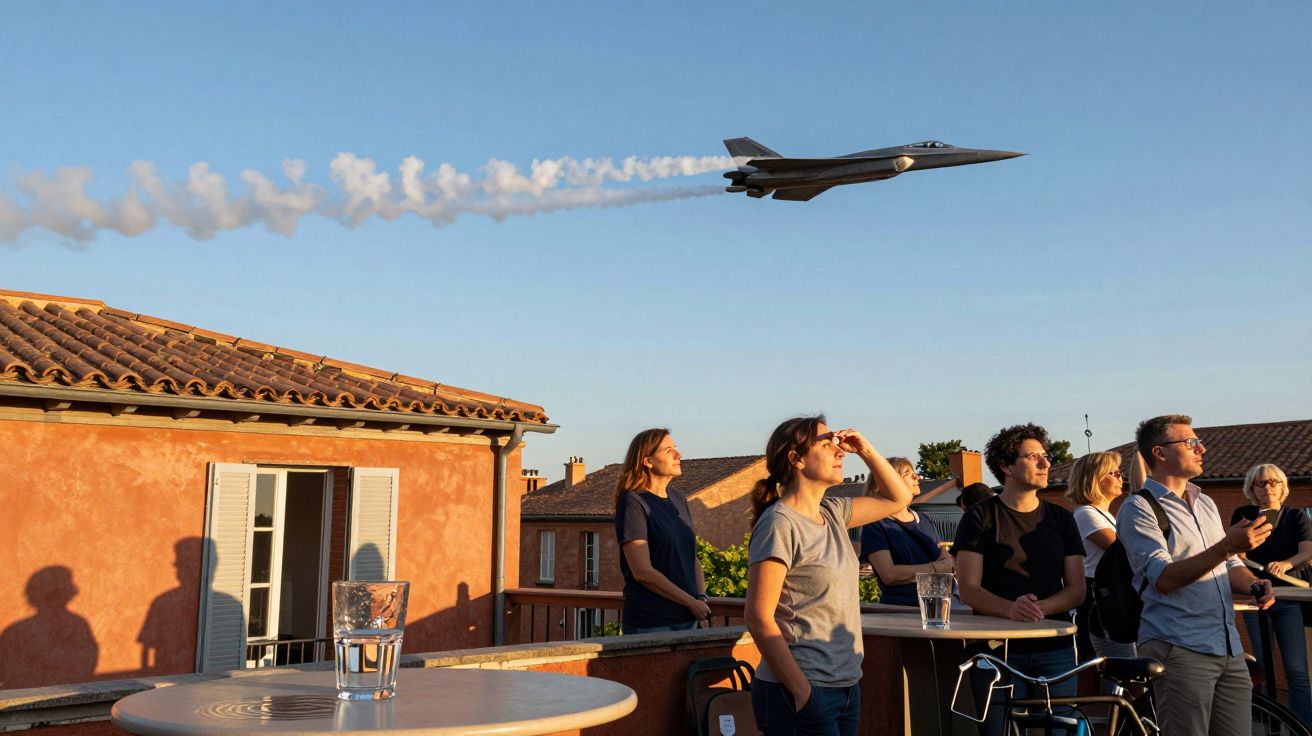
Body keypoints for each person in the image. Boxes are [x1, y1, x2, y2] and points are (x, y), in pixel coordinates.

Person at [745, 416, 913, 735]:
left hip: (845, 686)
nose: (839, 452)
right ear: (796, 459)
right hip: (801, 688)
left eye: (837, 445)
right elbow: (758, 617)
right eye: (826, 444)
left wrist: (865, 449)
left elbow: (898, 498)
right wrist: (802, 693)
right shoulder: (780, 523)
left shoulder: (833, 512)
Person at [1118, 414, 1274, 734]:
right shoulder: (1138, 508)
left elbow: (1228, 564)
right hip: (1179, 646)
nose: (1201, 449)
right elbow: (1163, 579)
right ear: (1160, 453)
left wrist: (1254, 583)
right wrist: (1227, 546)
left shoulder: (1205, 502)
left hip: (1227, 646)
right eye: (1190, 443)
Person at [953, 423, 1085, 736]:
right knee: (998, 731)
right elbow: (969, 588)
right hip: (996, 649)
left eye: (1045, 456)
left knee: (1062, 729)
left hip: (1056, 645)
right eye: (1033, 457)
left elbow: (1078, 589)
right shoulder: (980, 516)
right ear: (1006, 466)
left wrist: (1039, 608)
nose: (1045, 463)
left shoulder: (1061, 518)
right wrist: (1011, 609)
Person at [1231, 463, 1312, 723]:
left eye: (1273, 482)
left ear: (1282, 486)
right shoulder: (1243, 514)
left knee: (1296, 670)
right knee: (1264, 668)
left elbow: (1308, 551)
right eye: (1261, 483)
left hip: (1288, 599)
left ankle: (1303, 726)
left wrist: (1286, 564)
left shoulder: (1297, 516)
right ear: (1252, 489)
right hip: (1255, 601)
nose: (1268, 487)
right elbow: (1236, 553)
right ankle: (1271, 724)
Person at [614, 428, 710, 635]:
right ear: (647, 461)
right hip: (652, 622)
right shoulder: (633, 502)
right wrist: (691, 602)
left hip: (688, 619)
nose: (678, 455)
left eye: (675, 448)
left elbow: (691, 557)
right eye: (669, 451)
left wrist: (700, 598)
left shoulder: (678, 499)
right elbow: (642, 572)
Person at [1064, 451, 1137, 660]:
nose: (1119, 477)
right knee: (1119, 663)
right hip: (1101, 599)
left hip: (1112, 596)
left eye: (1119, 472)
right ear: (1094, 480)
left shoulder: (1105, 515)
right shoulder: (1086, 513)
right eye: (1112, 473)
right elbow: (1123, 551)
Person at [861, 457, 954, 606]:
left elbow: (947, 563)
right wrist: (935, 568)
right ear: (888, 481)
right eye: (907, 473)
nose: (917, 477)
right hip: (901, 610)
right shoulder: (876, 524)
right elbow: (889, 575)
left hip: (938, 608)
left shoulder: (924, 519)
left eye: (915, 472)